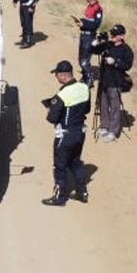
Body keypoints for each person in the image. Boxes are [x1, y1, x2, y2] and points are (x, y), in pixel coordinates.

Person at [42, 60, 91, 205]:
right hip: (80, 132)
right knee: (76, 162)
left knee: (60, 166)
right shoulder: (84, 88)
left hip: (65, 134)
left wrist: (50, 109)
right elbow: (87, 109)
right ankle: (82, 192)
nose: (56, 77)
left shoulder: (62, 94)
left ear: (63, 75)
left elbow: (52, 118)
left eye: (57, 74)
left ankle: (60, 197)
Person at [92, 24, 134, 142]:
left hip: (116, 81)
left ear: (122, 36)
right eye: (112, 34)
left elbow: (128, 65)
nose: (113, 37)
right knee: (103, 105)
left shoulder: (126, 50)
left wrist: (115, 62)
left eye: (115, 35)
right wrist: (95, 42)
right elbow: (94, 51)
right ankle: (104, 126)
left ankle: (113, 131)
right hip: (104, 80)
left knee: (115, 106)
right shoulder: (108, 45)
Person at [71, 0, 104, 84]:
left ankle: (89, 80)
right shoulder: (89, 6)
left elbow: (96, 24)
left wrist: (84, 24)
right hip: (83, 35)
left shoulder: (98, 9)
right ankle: (85, 76)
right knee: (81, 59)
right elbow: (88, 19)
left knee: (85, 60)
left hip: (89, 36)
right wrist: (81, 21)